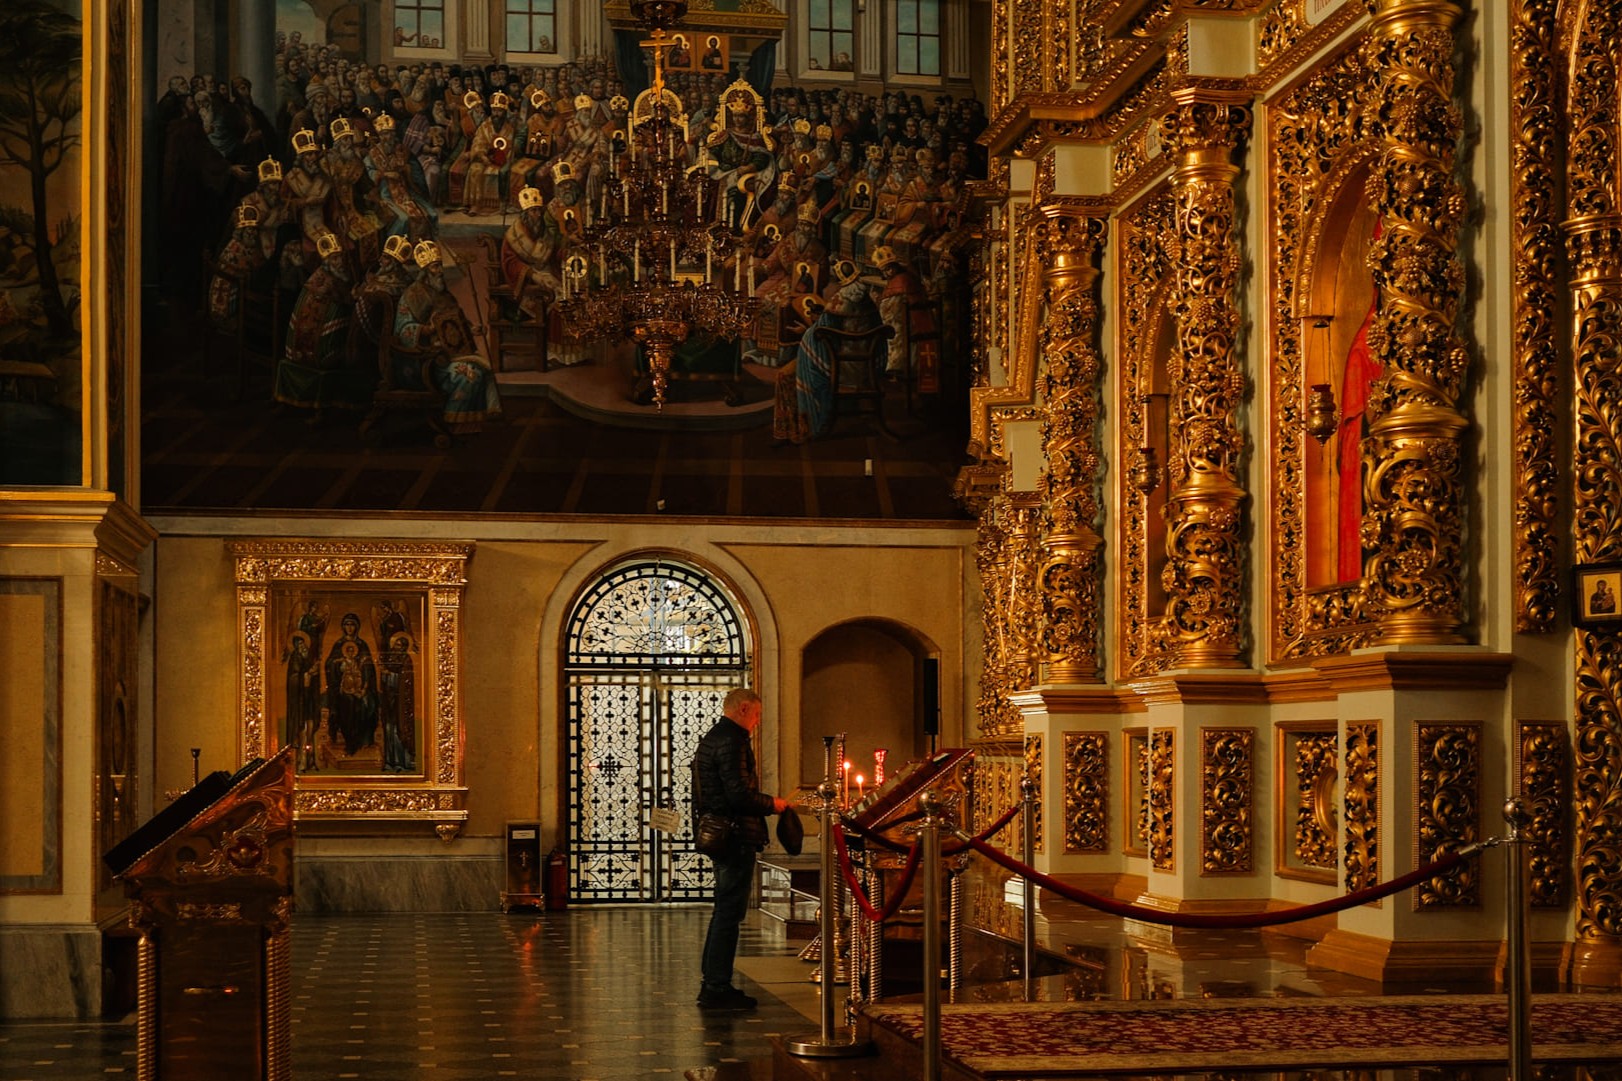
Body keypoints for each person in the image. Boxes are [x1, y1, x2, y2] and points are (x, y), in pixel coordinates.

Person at [691, 687, 790, 1011]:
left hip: (721, 834)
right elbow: (738, 795)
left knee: (724, 910)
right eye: (757, 715)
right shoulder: (732, 741)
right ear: (743, 709)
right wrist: (773, 804)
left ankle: (712, 981)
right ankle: (717, 986)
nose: (758, 722)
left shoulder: (713, 738)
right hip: (734, 836)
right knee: (729, 913)